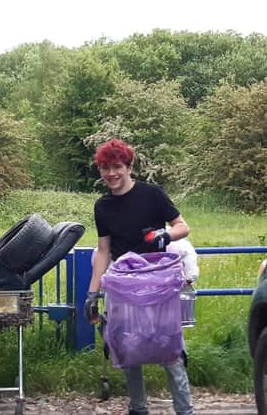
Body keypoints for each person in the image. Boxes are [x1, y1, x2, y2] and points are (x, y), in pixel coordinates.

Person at [84, 139, 193, 415]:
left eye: (117, 167)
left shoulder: (152, 194)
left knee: (168, 348)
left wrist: (162, 235)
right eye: (105, 168)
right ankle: (138, 408)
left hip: (157, 280)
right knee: (128, 346)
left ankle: (185, 410)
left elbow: (183, 227)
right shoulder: (102, 206)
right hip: (123, 283)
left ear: (129, 167)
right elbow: (104, 250)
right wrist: (92, 293)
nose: (111, 174)